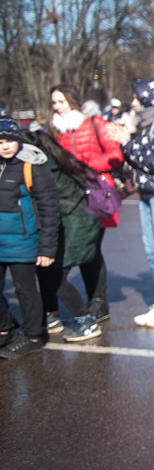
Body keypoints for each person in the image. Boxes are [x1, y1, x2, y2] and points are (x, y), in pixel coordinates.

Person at [104, 79, 154, 328]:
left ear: (149, 100)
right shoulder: (147, 125)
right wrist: (128, 138)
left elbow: (151, 161)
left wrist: (125, 141)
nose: (133, 102)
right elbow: (139, 157)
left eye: (137, 97)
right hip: (148, 192)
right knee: (152, 250)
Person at [47, 84, 119, 322]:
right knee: (76, 247)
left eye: (61, 101)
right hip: (68, 197)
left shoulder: (95, 123)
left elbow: (115, 154)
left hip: (94, 194)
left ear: (72, 100)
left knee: (91, 247)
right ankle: (62, 304)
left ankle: (97, 301)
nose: (57, 107)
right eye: (54, 103)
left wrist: (86, 165)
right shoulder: (54, 129)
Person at [29, 131, 103, 343]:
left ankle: (85, 321)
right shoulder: (53, 158)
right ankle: (52, 315)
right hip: (74, 221)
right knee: (47, 272)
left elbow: (45, 205)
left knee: (55, 276)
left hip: (75, 225)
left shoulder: (40, 168)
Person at [0, 118, 59, 358]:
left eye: (9, 140)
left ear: (18, 140)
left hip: (23, 240)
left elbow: (49, 208)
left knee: (25, 290)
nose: (5, 146)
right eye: (0, 142)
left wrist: (47, 248)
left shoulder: (31, 166)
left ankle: (33, 335)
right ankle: (5, 329)